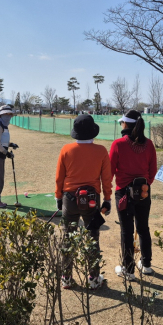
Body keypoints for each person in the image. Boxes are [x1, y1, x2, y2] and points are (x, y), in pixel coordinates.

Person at [55, 114, 112, 290]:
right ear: (93, 132)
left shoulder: (66, 149)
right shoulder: (101, 151)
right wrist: (108, 199)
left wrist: (58, 197)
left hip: (70, 199)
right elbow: (106, 178)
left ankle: (66, 277)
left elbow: (59, 177)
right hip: (92, 200)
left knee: (67, 238)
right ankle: (94, 278)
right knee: (92, 238)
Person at [109, 110, 158, 280]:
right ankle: (146, 264)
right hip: (143, 190)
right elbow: (153, 171)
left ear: (125, 124)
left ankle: (128, 269)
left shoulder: (118, 144)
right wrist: (145, 185)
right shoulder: (149, 144)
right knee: (143, 228)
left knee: (127, 230)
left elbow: (110, 170)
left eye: (121, 122)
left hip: (123, 191)